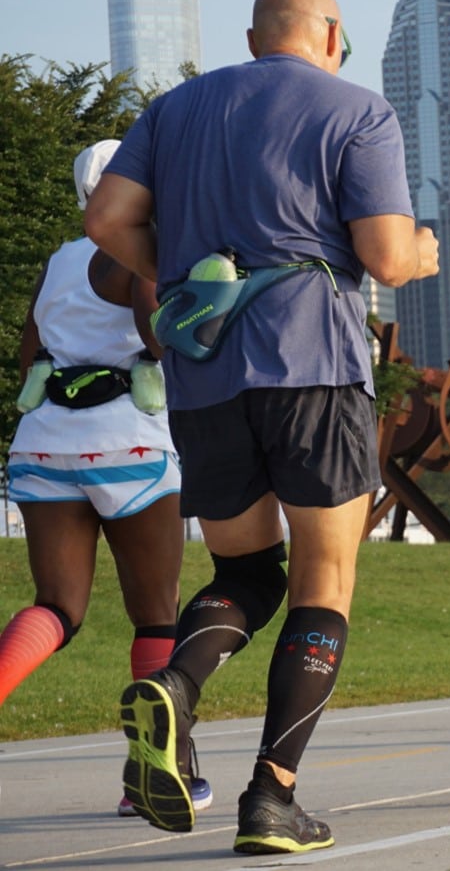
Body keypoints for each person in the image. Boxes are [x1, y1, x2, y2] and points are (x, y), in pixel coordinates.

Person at [84, 0, 439, 854]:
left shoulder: (172, 110)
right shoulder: (358, 110)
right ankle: (272, 797)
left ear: (252, 38)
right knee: (325, 583)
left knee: (249, 574)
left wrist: (174, 268)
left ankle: (175, 683)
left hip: (206, 378)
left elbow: (105, 218)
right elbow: (386, 256)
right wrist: (424, 252)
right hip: (312, 368)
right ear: (330, 35)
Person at [0, 140, 213, 818]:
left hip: (43, 445)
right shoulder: (139, 251)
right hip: (130, 445)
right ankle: (151, 776)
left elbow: (31, 351)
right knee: (156, 616)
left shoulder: (59, 259)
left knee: (57, 607)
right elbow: (160, 339)